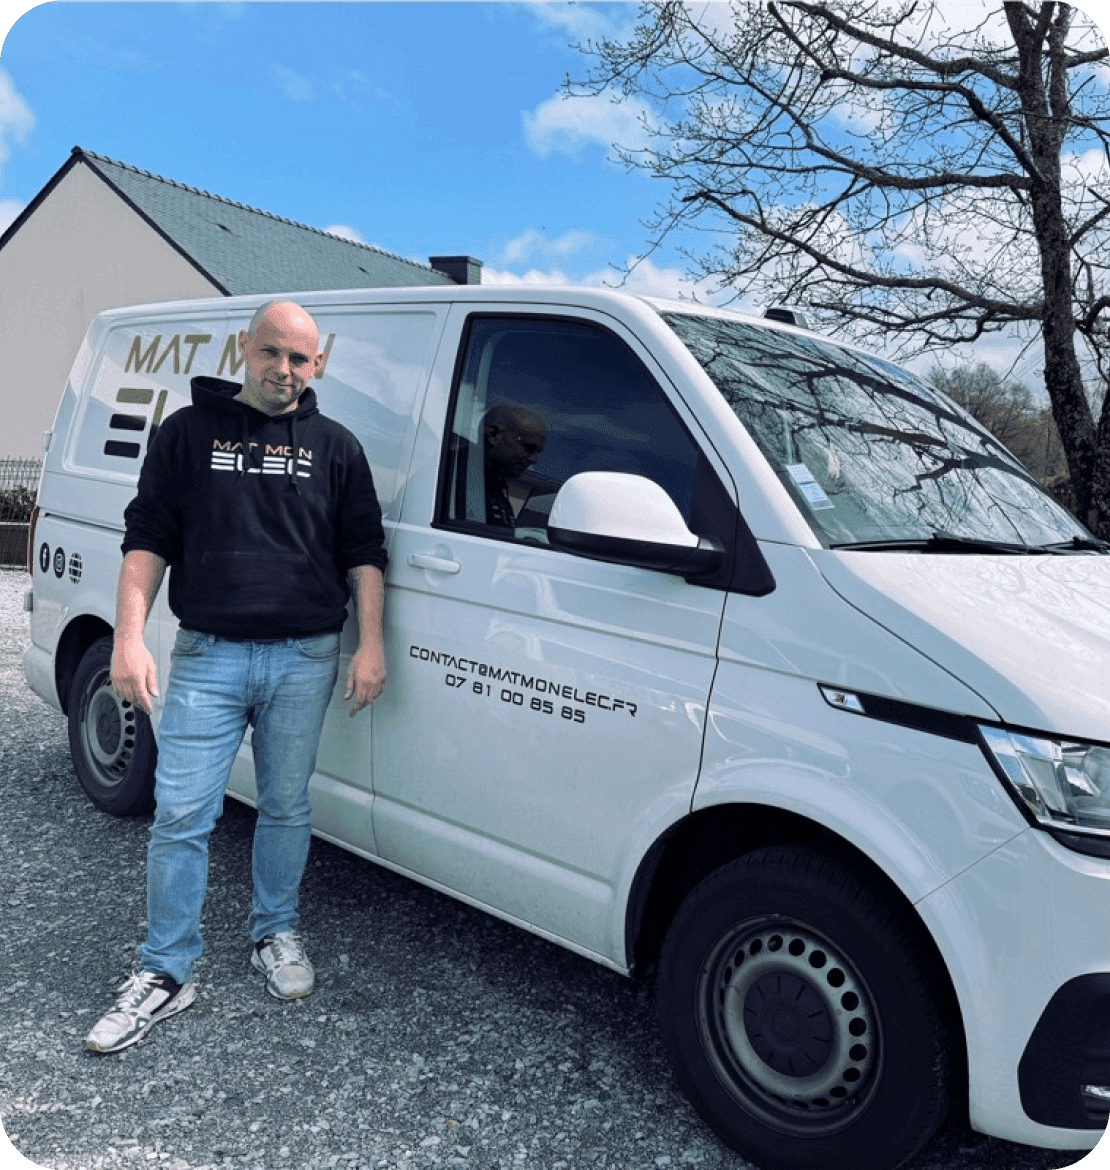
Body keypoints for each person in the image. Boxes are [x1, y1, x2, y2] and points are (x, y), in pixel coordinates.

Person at [85, 300, 387, 1054]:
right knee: (182, 813)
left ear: (318, 365)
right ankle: (166, 971)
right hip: (208, 656)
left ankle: (274, 931)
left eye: (299, 358)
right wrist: (129, 638)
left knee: (285, 805)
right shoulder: (188, 434)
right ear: (243, 349)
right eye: (271, 352)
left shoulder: (337, 447)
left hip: (306, 657)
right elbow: (147, 538)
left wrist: (370, 644)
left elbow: (364, 552)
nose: (284, 370)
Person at [476, 403, 548, 527]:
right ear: (493, 434)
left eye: (538, 452)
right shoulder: (455, 476)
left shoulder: (494, 483)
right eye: (529, 447)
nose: (534, 460)